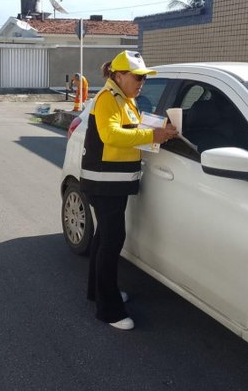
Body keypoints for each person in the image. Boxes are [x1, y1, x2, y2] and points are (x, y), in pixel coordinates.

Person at [80, 50, 178, 330]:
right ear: (119, 75)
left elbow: (130, 131)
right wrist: (152, 134)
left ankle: (98, 292)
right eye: (137, 78)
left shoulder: (124, 99)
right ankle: (109, 310)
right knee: (112, 241)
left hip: (112, 181)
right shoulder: (108, 99)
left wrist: (160, 131)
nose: (141, 83)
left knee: (104, 238)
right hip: (104, 183)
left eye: (144, 79)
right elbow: (111, 134)